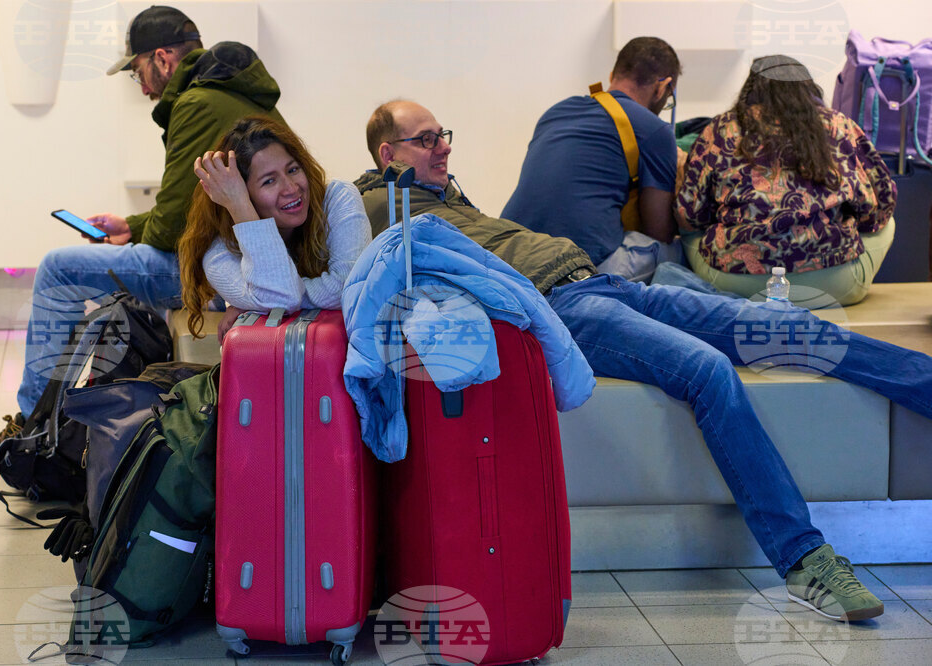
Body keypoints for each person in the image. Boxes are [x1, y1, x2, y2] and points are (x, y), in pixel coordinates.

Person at [358, 100, 932, 623]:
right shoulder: (381, 204)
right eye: (428, 138)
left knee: (785, 325)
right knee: (708, 369)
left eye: (444, 134)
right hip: (564, 308)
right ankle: (805, 558)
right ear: (388, 155)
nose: (445, 147)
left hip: (601, 284)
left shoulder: (440, 198)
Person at [0, 5, 285, 469]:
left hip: (218, 273)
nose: (144, 86)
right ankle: (63, 426)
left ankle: (30, 430)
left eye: (138, 71)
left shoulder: (195, 103)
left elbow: (172, 230)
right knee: (96, 268)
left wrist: (143, 229)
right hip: (249, 260)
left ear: (165, 58)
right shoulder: (238, 96)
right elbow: (191, 203)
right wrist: (131, 227)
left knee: (58, 268)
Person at [676, 55, 896, 306]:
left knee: (688, 233)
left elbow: (690, 213)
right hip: (835, 286)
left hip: (738, 286)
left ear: (751, 88)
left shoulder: (721, 129)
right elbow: (881, 202)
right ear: (807, 88)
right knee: (888, 224)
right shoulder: (838, 125)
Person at [502, 37, 684, 282]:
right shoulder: (654, 130)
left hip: (510, 255)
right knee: (678, 252)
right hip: (577, 268)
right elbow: (657, 231)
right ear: (663, 88)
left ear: (611, 76)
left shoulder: (556, 111)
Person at [178, 116, 370, 339]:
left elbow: (350, 287)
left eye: (293, 170)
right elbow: (282, 298)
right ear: (241, 192)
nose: (291, 188)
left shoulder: (338, 197)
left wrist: (257, 303)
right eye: (269, 181)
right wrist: (241, 208)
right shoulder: (219, 251)